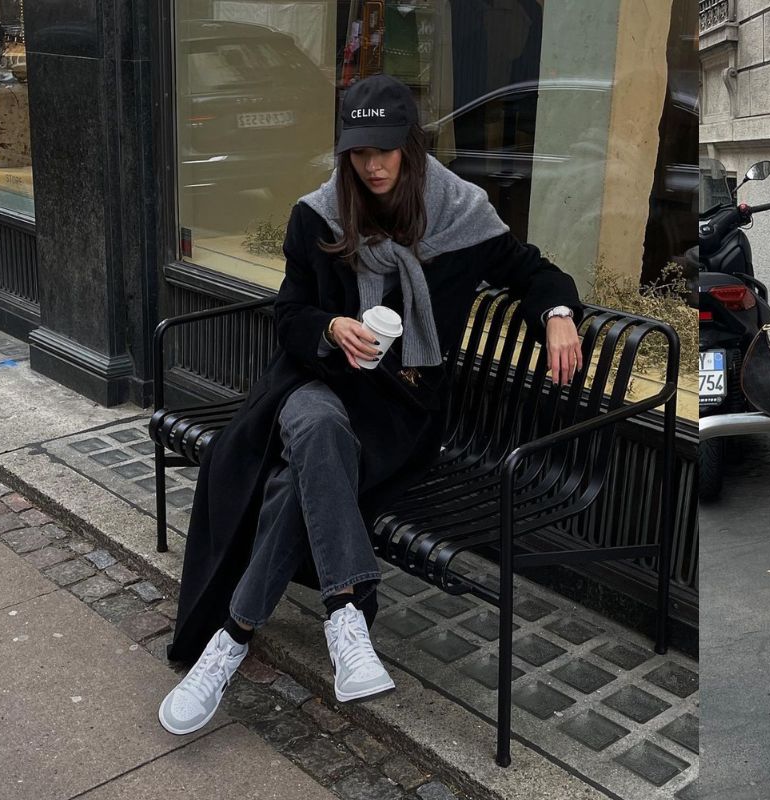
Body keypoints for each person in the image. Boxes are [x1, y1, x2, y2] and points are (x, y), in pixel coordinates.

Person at [159, 74, 583, 735]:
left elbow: (533, 271)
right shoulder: (319, 215)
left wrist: (557, 312)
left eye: (387, 150)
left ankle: (231, 637)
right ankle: (346, 614)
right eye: (361, 152)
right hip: (313, 383)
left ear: (412, 147)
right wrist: (332, 330)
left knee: (298, 474)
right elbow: (290, 314)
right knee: (315, 421)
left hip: (399, 411)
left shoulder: (461, 215)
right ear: (346, 153)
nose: (375, 166)